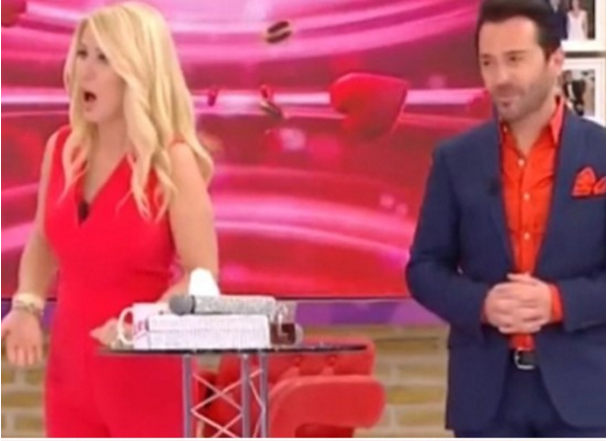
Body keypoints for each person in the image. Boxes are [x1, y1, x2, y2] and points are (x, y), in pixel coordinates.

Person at [0, 2, 218, 437]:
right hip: (70, 378)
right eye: (82, 53)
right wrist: (26, 304)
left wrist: (146, 322)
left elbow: (203, 276)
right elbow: (43, 240)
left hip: (145, 378)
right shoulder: (63, 148)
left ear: (137, 72)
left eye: (104, 58)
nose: (85, 70)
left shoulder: (171, 161)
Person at [406, 0, 605, 437]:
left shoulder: (602, 154)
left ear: (556, 60)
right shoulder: (455, 159)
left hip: (586, 397)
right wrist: (482, 304)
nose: (499, 78)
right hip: (486, 400)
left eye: (515, 60)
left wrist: (558, 302)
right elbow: (424, 269)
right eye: (488, 63)